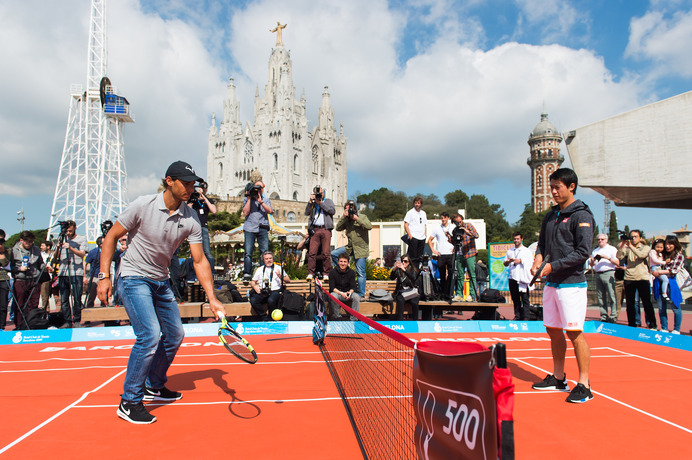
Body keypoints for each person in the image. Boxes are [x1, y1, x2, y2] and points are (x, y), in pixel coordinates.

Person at [97, 160, 226, 425]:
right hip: (133, 277)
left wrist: (212, 298)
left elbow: (200, 261)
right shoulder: (142, 205)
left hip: (160, 280)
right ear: (169, 181)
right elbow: (111, 236)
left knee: (175, 334)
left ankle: (154, 384)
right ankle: (130, 401)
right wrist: (104, 276)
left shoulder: (190, 218)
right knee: (148, 335)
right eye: (187, 183)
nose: (192, 188)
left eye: (194, 184)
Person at [531, 168, 595, 404]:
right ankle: (559, 378)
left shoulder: (582, 215)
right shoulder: (551, 215)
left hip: (572, 284)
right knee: (553, 331)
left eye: (558, 187)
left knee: (574, 333)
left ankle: (585, 384)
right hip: (552, 283)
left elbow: (583, 252)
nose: (554, 191)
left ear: (571, 187)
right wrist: (539, 259)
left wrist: (553, 266)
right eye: (552, 187)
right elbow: (541, 244)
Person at [331, 200, 372, 298]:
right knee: (333, 254)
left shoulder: (362, 217)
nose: (349, 211)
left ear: (355, 209)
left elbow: (369, 226)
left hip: (361, 249)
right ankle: (344, 271)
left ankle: (361, 295)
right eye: (347, 209)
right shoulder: (346, 220)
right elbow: (338, 228)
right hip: (350, 248)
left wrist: (356, 218)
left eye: (351, 208)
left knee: (360, 273)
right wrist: (344, 217)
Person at [617, 230, 657, 329]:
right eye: (631, 237)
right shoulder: (627, 248)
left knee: (646, 302)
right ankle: (632, 324)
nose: (633, 239)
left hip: (642, 278)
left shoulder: (646, 247)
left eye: (635, 237)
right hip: (629, 278)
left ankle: (652, 324)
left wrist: (630, 246)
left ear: (640, 238)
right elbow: (619, 256)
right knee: (630, 304)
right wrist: (622, 245)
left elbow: (641, 255)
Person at [9, 231, 45, 329]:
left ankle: (32, 324)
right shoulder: (13, 250)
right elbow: (9, 267)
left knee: (34, 303)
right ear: (21, 240)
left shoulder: (36, 249)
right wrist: (19, 269)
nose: (29, 244)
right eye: (27, 242)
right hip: (20, 280)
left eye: (31, 242)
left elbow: (40, 263)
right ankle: (19, 325)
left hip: (34, 280)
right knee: (20, 304)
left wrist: (45, 267)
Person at [651, 235, 685, 334]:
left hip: (671, 282)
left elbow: (674, 270)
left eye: (671, 244)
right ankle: (664, 327)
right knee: (661, 307)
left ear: (675, 244)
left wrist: (660, 272)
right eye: (666, 244)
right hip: (659, 282)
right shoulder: (661, 254)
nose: (668, 246)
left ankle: (676, 329)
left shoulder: (679, 255)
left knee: (675, 306)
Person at [57, 220, 87, 327]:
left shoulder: (82, 239)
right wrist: (57, 247)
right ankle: (67, 321)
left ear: (75, 228)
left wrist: (70, 247)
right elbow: (56, 257)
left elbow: (82, 254)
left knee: (77, 297)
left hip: (76, 272)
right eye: (66, 231)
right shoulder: (61, 239)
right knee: (64, 299)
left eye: (70, 231)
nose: (68, 233)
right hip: (63, 272)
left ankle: (77, 319)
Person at [242, 180, 273, 281]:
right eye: (256, 188)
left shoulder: (266, 199)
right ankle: (247, 273)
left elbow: (270, 211)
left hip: (262, 227)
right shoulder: (247, 200)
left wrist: (261, 202)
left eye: (260, 188)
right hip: (250, 228)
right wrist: (250, 198)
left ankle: (263, 273)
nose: (258, 190)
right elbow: (246, 212)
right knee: (248, 252)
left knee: (264, 252)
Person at [305, 185, 335, 281]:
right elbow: (306, 212)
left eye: (320, 193)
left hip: (325, 229)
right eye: (316, 193)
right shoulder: (313, 203)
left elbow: (332, 211)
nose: (318, 195)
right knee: (312, 253)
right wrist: (311, 202)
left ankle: (326, 273)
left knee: (326, 253)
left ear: (323, 193)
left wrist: (321, 203)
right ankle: (311, 273)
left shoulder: (328, 201)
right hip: (315, 230)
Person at [249, 251, 289, 321]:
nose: (269, 260)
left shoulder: (278, 268)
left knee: (271, 300)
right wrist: (255, 286)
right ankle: (264, 317)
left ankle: (272, 318)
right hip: (264, 291)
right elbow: (252, 281)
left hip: (275, 291)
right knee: (253, 300)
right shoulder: (260, 269)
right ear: (263, 260)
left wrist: (280, 276)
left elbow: (288, 280)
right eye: (266, 259)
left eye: (270, 258)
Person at [589, 233, 619, 323]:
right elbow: (591, 265)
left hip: (609, 272)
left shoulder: (612, 249)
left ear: (606, 239)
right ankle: (604, 315)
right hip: (598, 273)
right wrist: (592, 261)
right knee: (600, 296)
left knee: (612, 295)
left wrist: (607, 257)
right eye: (598, 239)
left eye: (602, 239)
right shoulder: (595, 251)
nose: (600, 241)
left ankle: (613, 315)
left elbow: (617, 262)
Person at [390, 256, 431, 320]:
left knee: (414, 303)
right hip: (402, 292)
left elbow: (413, 278)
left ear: (409, 262)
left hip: (412, 292)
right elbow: (392, 278)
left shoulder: (413, 270)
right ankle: (400, 321)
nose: (403, 263)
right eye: (402, 261)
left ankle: (415, 321)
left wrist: (404, 270)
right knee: (400, 300)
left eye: (405, 261)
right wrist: (394, 268)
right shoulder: (398, 270)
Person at [504, 232, 533, 320]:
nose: (516, 241)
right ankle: (517, 315)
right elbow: (505, 263)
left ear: (521, 239)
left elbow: (530, 262)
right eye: (515, 239)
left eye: (518, 239)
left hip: (522, 278)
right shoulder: (510, 251)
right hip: (512, 276)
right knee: (515, 298)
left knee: (525, 298)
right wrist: (508, 261)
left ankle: (526, 316)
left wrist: (519, 260)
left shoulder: (526, 250)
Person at [188, 180, 217, 268]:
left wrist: (204, 198)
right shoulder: (193, 199)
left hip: (203, 226)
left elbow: (214, 211)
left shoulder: (208, 200)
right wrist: (193, 198)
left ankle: (211, 272)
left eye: (205, 189)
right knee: (194, 252)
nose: (203, 190)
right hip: (194, 227)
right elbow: (187, 209)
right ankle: (192, 275)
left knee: (207, 251)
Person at [451, 213, 480, 302]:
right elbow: (454, 242)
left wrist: (467, 231)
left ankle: (471, 295)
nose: (458, 223)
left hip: (470, 253)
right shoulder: (456, 230)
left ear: (461, 218)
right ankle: (459, 294)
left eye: (459, 220)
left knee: (471, 274)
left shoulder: (468, 225)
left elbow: (476, 235)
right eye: (456, 221)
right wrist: (450, 237)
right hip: (460, 253)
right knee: (460, 274)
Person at [427, 211, 455, 300]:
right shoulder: (437, 228)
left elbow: (457, 239)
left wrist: (455, 248)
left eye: (444, 218)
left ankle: (449, 294)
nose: (443, 219)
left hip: (451, 254)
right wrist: (433, 250)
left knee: (451, 274)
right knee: (442, 275)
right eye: (441, 218)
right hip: (441, 254)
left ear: (448, 218)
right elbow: (429, 240)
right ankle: (442, 294)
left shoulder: (453, 227)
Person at [328, 253, 361, 320]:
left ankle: (354, 318)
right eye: (341, 261)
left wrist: (349, 293)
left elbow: (353, 287)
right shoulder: (332, 272)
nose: (343, 264)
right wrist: (341, 293)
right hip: (338, 294)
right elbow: (332, 288)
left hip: (347, 294)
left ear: (348, 263)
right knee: (333, 295)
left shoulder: (351, 272)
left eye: (345, 262)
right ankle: (337, 316)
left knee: (356, 296)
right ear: (338, 262)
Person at [403, 196, 427, 266]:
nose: (417, 204)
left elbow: (425, 224)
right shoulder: (410, 212)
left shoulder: (423, 213)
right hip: (413, 237)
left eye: (418, 203)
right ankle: (412, 271)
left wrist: (425, 234)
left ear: (421, 204)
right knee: (413, 257)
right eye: (416, 203)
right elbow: (406, 224)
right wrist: (410, 236)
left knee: (420, 257)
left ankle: (418, 271)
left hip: (422, 237)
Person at [83, 237, 103, 308]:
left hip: (103, 276)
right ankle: (89, 311)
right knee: (92, 296)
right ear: (100, 244)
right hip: (94, 276)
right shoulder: (93, 252)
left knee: (104, 296)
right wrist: (84, 276)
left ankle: (105, 315)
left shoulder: (107, 251)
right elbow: (85, 263)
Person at [39, 241, 54, 311]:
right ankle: (46, 311)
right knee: (44, 296)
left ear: (48, 247)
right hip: (45, 277)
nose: (41, 247)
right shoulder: (41, 255)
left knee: (57, 297)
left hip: (54, 277)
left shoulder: (54, 255)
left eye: (42, 246)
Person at [0, 230, 10, 329]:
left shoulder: (7, 250)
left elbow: (5, 263)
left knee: (3, 304)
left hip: (3, 278)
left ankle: (1, 325)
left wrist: (2, 252)